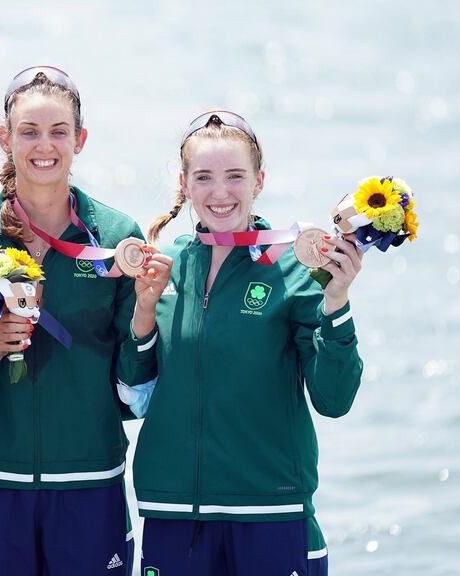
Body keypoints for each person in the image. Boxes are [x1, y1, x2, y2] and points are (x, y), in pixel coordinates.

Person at [124, 110, 364, 575]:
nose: (219, 192)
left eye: (235, 176)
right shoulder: (163, 266)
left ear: (259, 181)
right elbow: (132, 393)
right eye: (204, 177)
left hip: (271, 517)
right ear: (185, 183)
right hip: (172, 515)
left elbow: (333, 399)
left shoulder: (295, 269)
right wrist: (143, 311)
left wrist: (337, 300)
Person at [0, 66, 150, 575]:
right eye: (29, 131)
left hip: (89, 481)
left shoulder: (117, 235)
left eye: (59, 131)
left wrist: (148, 305)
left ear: (80, 139)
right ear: (5, 138)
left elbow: (133, 376)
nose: (45, 145)